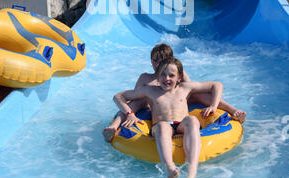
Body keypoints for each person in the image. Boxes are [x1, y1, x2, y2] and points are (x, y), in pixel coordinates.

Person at [102, 43, 246, 142]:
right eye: (155, 61)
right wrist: (130, 113)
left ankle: (234, 111)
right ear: (151, 61)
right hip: (151, 107)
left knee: (200, 95)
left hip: (176, 105)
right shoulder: (145, 78)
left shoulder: (177, 74)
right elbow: (131, 96)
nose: (158, 64)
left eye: (162, 61)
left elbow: (188, 88)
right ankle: (113, 128)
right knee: (133, 104)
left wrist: (213, 106)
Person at [113, 57, 224, 178]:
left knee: (192, 120)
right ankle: (169, 166)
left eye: (171, 75)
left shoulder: (185, 88)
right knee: (163, 126)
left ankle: (192, 166)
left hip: (181, 124)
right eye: (163, 75)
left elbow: (217, 85)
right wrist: (130, 114)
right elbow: (118, 96)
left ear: (179, 77)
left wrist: (214, 105)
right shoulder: (149, 90)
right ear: (158, 76)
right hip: (161, 126)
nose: (167, 79)